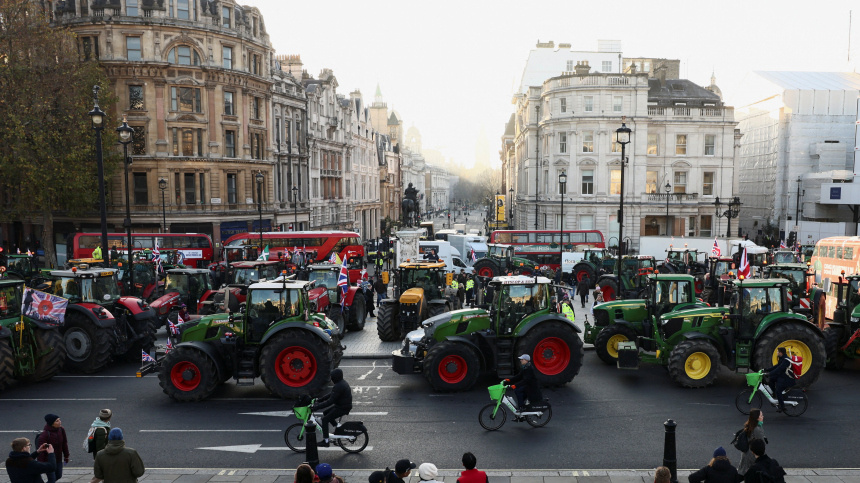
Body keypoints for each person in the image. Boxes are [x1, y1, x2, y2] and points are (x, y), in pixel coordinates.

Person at [314, 368, 352, 447]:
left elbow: (330, 401)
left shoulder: (339, 386)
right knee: (326, 413)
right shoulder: (341, 383)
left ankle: (326, 441)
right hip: (342, 405)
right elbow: (331, 394)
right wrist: (319, 400)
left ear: (336, 377)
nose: (332, 379)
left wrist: (316, 407)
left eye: (332, 377)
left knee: (325, 420)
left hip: (343, 407)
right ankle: (338, 428)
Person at [36, 414, 68, 483]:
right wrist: (41, 464)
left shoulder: (61, 430)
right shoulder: (44, 435)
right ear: (52, 423)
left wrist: (66, 456)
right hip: (48, 461)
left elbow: (64, 443)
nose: (60, 422)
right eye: (57, 421)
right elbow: (41, 451)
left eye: (59, 420)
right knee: (52, 479)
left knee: (58, 475)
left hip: (58, 459)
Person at [736, 409, 765, 476]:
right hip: (753, 456)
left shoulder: (750, 426)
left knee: (743, 473)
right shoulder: (757, 429)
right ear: (757, 418)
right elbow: (761, 445)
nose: (763, 416)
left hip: (746, 454)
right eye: (761, 415)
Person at [766, 347, 795, 412]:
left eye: (778, 352)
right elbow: (776, 366)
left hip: (787, 379)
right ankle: (775, 394)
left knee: (779, 391)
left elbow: (779, 369)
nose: (777, 353)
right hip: (783, 376)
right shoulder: (782, 359)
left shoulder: (786, 360)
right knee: (771, 379)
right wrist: (766, 370)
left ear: (781, 353)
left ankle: (782, 407)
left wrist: (769, 373)